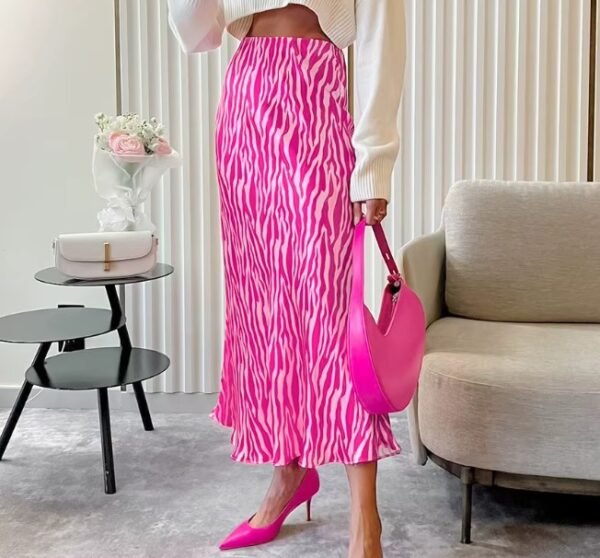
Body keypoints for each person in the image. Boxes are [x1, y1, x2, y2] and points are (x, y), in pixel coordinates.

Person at [167, 1, 406, 556]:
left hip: (314, 92)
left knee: (328, 316)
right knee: (265, 306)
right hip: (247, 100)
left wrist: (374, 162)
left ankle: (365, 520)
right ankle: (288, 475)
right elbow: (197, 32)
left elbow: (379, 35)